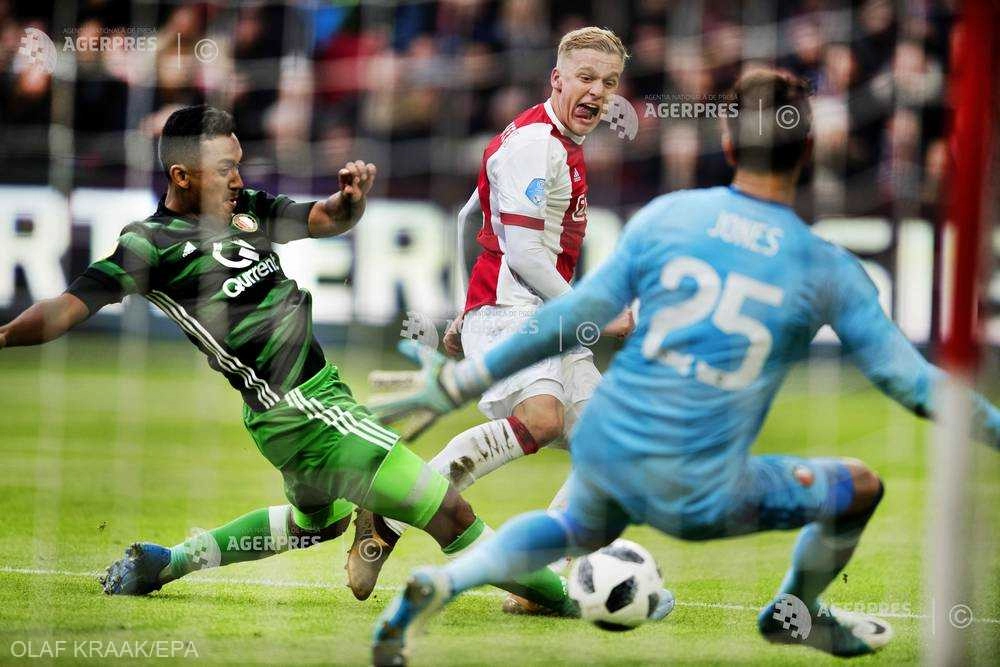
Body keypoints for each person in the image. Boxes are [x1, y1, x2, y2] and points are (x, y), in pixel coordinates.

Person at [367, 68, 1000, 664]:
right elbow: (908, 381)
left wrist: (458, 380)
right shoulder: (827, 267)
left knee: (569, 522)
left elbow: (574, 310)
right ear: (809, 151)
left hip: (614, 444)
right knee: (860, 485)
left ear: (726, 143)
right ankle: (797, 609)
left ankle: (444, 579)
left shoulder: (668, 217)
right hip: (703, 484)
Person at [0, 105, 574, 615]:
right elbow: (67, 307)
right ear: (181, 175)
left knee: (313, 526)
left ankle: (165, 562)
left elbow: (324, 220)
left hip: (300, 404)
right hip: (303, 410)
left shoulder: (246, 210)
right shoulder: (150, 245)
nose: (237, 178)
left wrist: (350, 201)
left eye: (238, 163)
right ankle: (574, 600)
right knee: (449, 514)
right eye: (225, 167)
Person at [347, 26, 637, 614]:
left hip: (532, 314)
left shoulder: (548, 138)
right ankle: (388, 508)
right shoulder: (536, 144)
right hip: (515, 311)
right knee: (543, 417)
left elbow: (466, 216)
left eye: (609, 84)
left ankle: (542, 579)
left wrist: (462, 308)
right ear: (557, 78)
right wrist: (594, 311)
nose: (597, 93)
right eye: (585, 78)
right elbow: (527, 255)